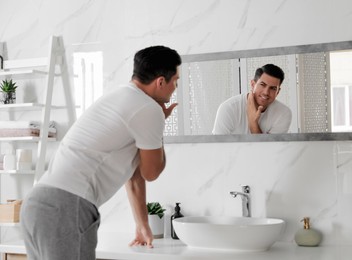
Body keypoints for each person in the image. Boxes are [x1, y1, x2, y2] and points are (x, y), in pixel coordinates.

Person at [20, 45, 182, 260]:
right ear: (161, 82)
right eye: (175, 82)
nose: (175, 89)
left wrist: (142, 224)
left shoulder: (119, 97)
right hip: (67, 207)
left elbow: (134, 175)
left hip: (37, 204)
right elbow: (151, 172)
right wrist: (160, 123)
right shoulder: (148, 109)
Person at [212, 64, 292, 135]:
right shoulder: (229, 108)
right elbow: (218, 148)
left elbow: (269, 149)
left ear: (278, 92)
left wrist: (253, 123)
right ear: (253, 84)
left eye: (273, 88)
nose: (266, 92)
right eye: (262, 85)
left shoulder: (283, 113)